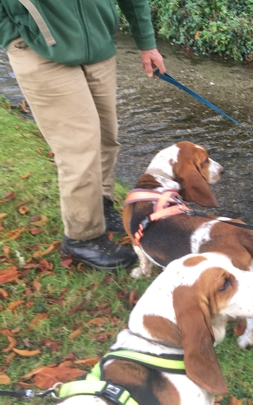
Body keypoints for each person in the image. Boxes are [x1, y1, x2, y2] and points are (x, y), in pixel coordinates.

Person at [0, 0, 166, 271]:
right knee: (79, 149)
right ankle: (82, 238)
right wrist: (12, 36)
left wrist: (146, 42)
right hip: (39, 50)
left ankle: (101, 207)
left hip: (98, 45)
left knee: (106, 138)